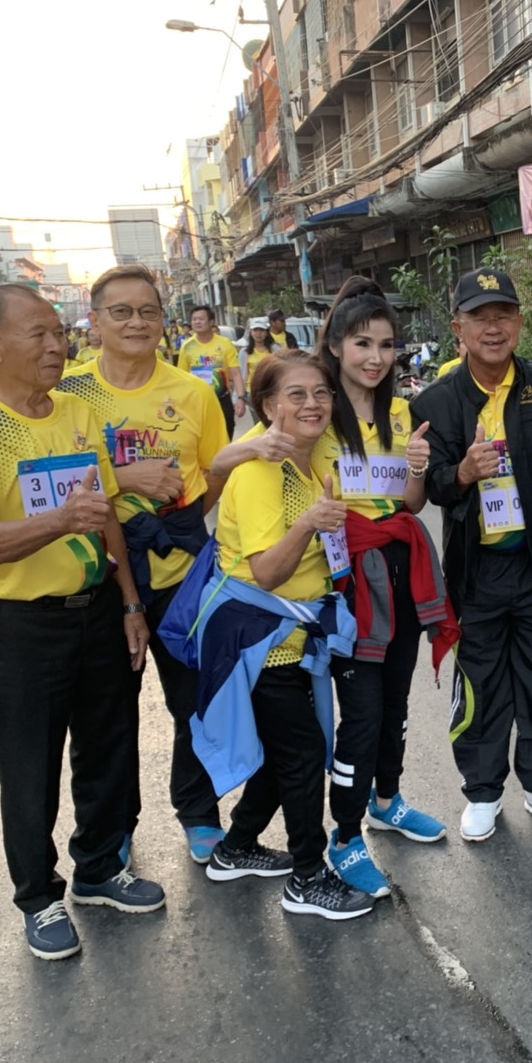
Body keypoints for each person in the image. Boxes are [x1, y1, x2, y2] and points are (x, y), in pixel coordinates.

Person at [0, 285, 164, 961]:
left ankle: (99, 868)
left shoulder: (76, 412)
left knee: (109, 747)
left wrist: (129, 603)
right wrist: (60, 521)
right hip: (20, 627)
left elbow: (105, 513)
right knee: (29, 766)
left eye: (59, 332)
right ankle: (38, 898)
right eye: (37, 334)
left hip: (97, 611)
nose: (56, 345)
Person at [412, 267, 532, 842]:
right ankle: (483, 792)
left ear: (519, 323)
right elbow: (432, 486)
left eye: (503, 316)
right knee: (481, 684)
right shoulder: (437, 400)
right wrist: (463, 473)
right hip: (476, 573)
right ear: (458, 328)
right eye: (479, 318)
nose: (493, 328)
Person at [58, 264, 233, 865]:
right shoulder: (68, 393)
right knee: (105, 715)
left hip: (183, 573)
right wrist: (126, 480)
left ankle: (199, 812)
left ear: (164, 321)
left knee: (195, 700)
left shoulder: (194, 393)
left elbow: (216, 473)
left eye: (148, 312)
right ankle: (113, 830)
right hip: (104, 576)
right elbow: (53, 482)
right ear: (95, 320)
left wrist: (174, 525)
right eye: (121, 312)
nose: (136, 322)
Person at [197, 350, 376, 919]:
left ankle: (236, 848)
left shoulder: (308, 455)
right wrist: (309, 523)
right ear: (266, 405)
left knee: (286, 754)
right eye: (295, 395)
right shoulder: (258, 472)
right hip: (258, 639)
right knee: (301, 755)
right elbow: (269, 572)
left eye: (321, 393)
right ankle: (307, 877)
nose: (312, 404)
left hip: (291, 633)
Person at [316, 279, 456, 891]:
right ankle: (345, 836)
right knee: (362, 715)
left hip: (401, 571)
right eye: (362, 343)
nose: (375, 357)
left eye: (386, 345)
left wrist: (418, 469)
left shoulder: (402, 413)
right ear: (336, 346)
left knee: (396, 702)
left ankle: (387, 800)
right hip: (346, 579)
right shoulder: (317, 411)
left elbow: (411, 502)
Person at [177, 305, 246, 438]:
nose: (197, 322)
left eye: (201, 319)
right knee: (203, 437)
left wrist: (241, 398)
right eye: (194, 319)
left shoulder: (225, 343)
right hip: (198, 402)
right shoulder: (187, 346)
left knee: (226, 433)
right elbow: (181, 377)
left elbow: (236, 373)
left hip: (222, 398)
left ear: (211, 322)